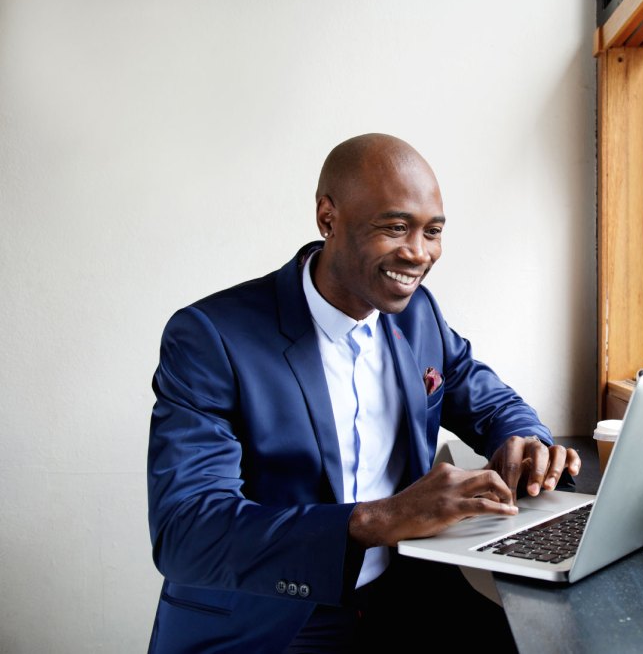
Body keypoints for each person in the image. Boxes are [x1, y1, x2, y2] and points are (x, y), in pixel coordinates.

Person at [146, 133, 581, 652]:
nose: (418, 254)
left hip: (403, 601)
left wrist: (523, 437)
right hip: (267, 620)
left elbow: (483, 393)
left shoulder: (418, 315)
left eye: (433, 232)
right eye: (395, 227)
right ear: (328, 218)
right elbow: (188, 531)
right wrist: (382, 518)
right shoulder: (211, 337)